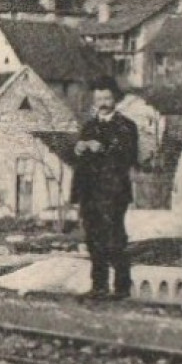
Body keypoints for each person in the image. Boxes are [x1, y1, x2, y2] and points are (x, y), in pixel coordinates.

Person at [70, 76, 138, 299]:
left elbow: (128, 157)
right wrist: (79, 149)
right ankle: (99, 286)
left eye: (107, 97)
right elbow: (80, 161)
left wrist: (103, 148)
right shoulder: (88, 126)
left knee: (114, 238)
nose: (103, 102)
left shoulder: (126, 127)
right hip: (89, 191)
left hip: (113, 192)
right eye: (99, 98)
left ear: (115, 99)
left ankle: (121, 288)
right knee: (93, 239)